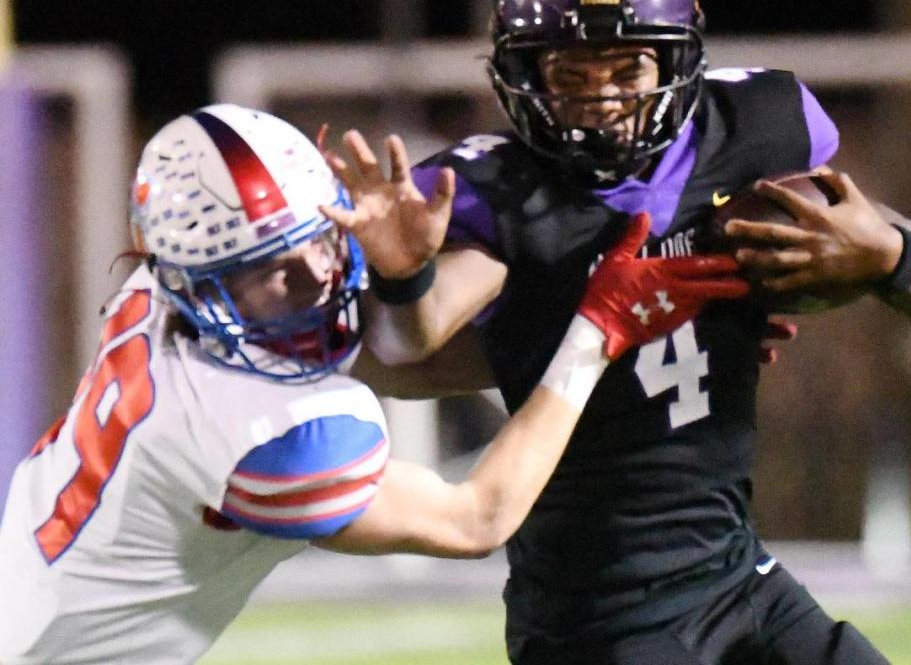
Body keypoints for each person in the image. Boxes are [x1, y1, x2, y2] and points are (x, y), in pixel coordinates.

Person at [322, 0, 911, 664]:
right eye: (571, 76)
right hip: (594, 616)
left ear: (676, 62)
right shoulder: (507, 196)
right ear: (525, 75)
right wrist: (405, 276)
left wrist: (888, 256)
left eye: (628, 70)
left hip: (735, 576)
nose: (603, 101)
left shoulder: (748, 141)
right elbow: (406, 341)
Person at [0, 103, 750, 663]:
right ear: (201, 294)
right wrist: (596, 333)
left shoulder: (158, 294)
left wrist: (414, 280)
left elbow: (407, 350)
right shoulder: (263, 439)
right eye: (273, 276)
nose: (319, 278)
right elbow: (476, 520)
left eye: (319, 240)